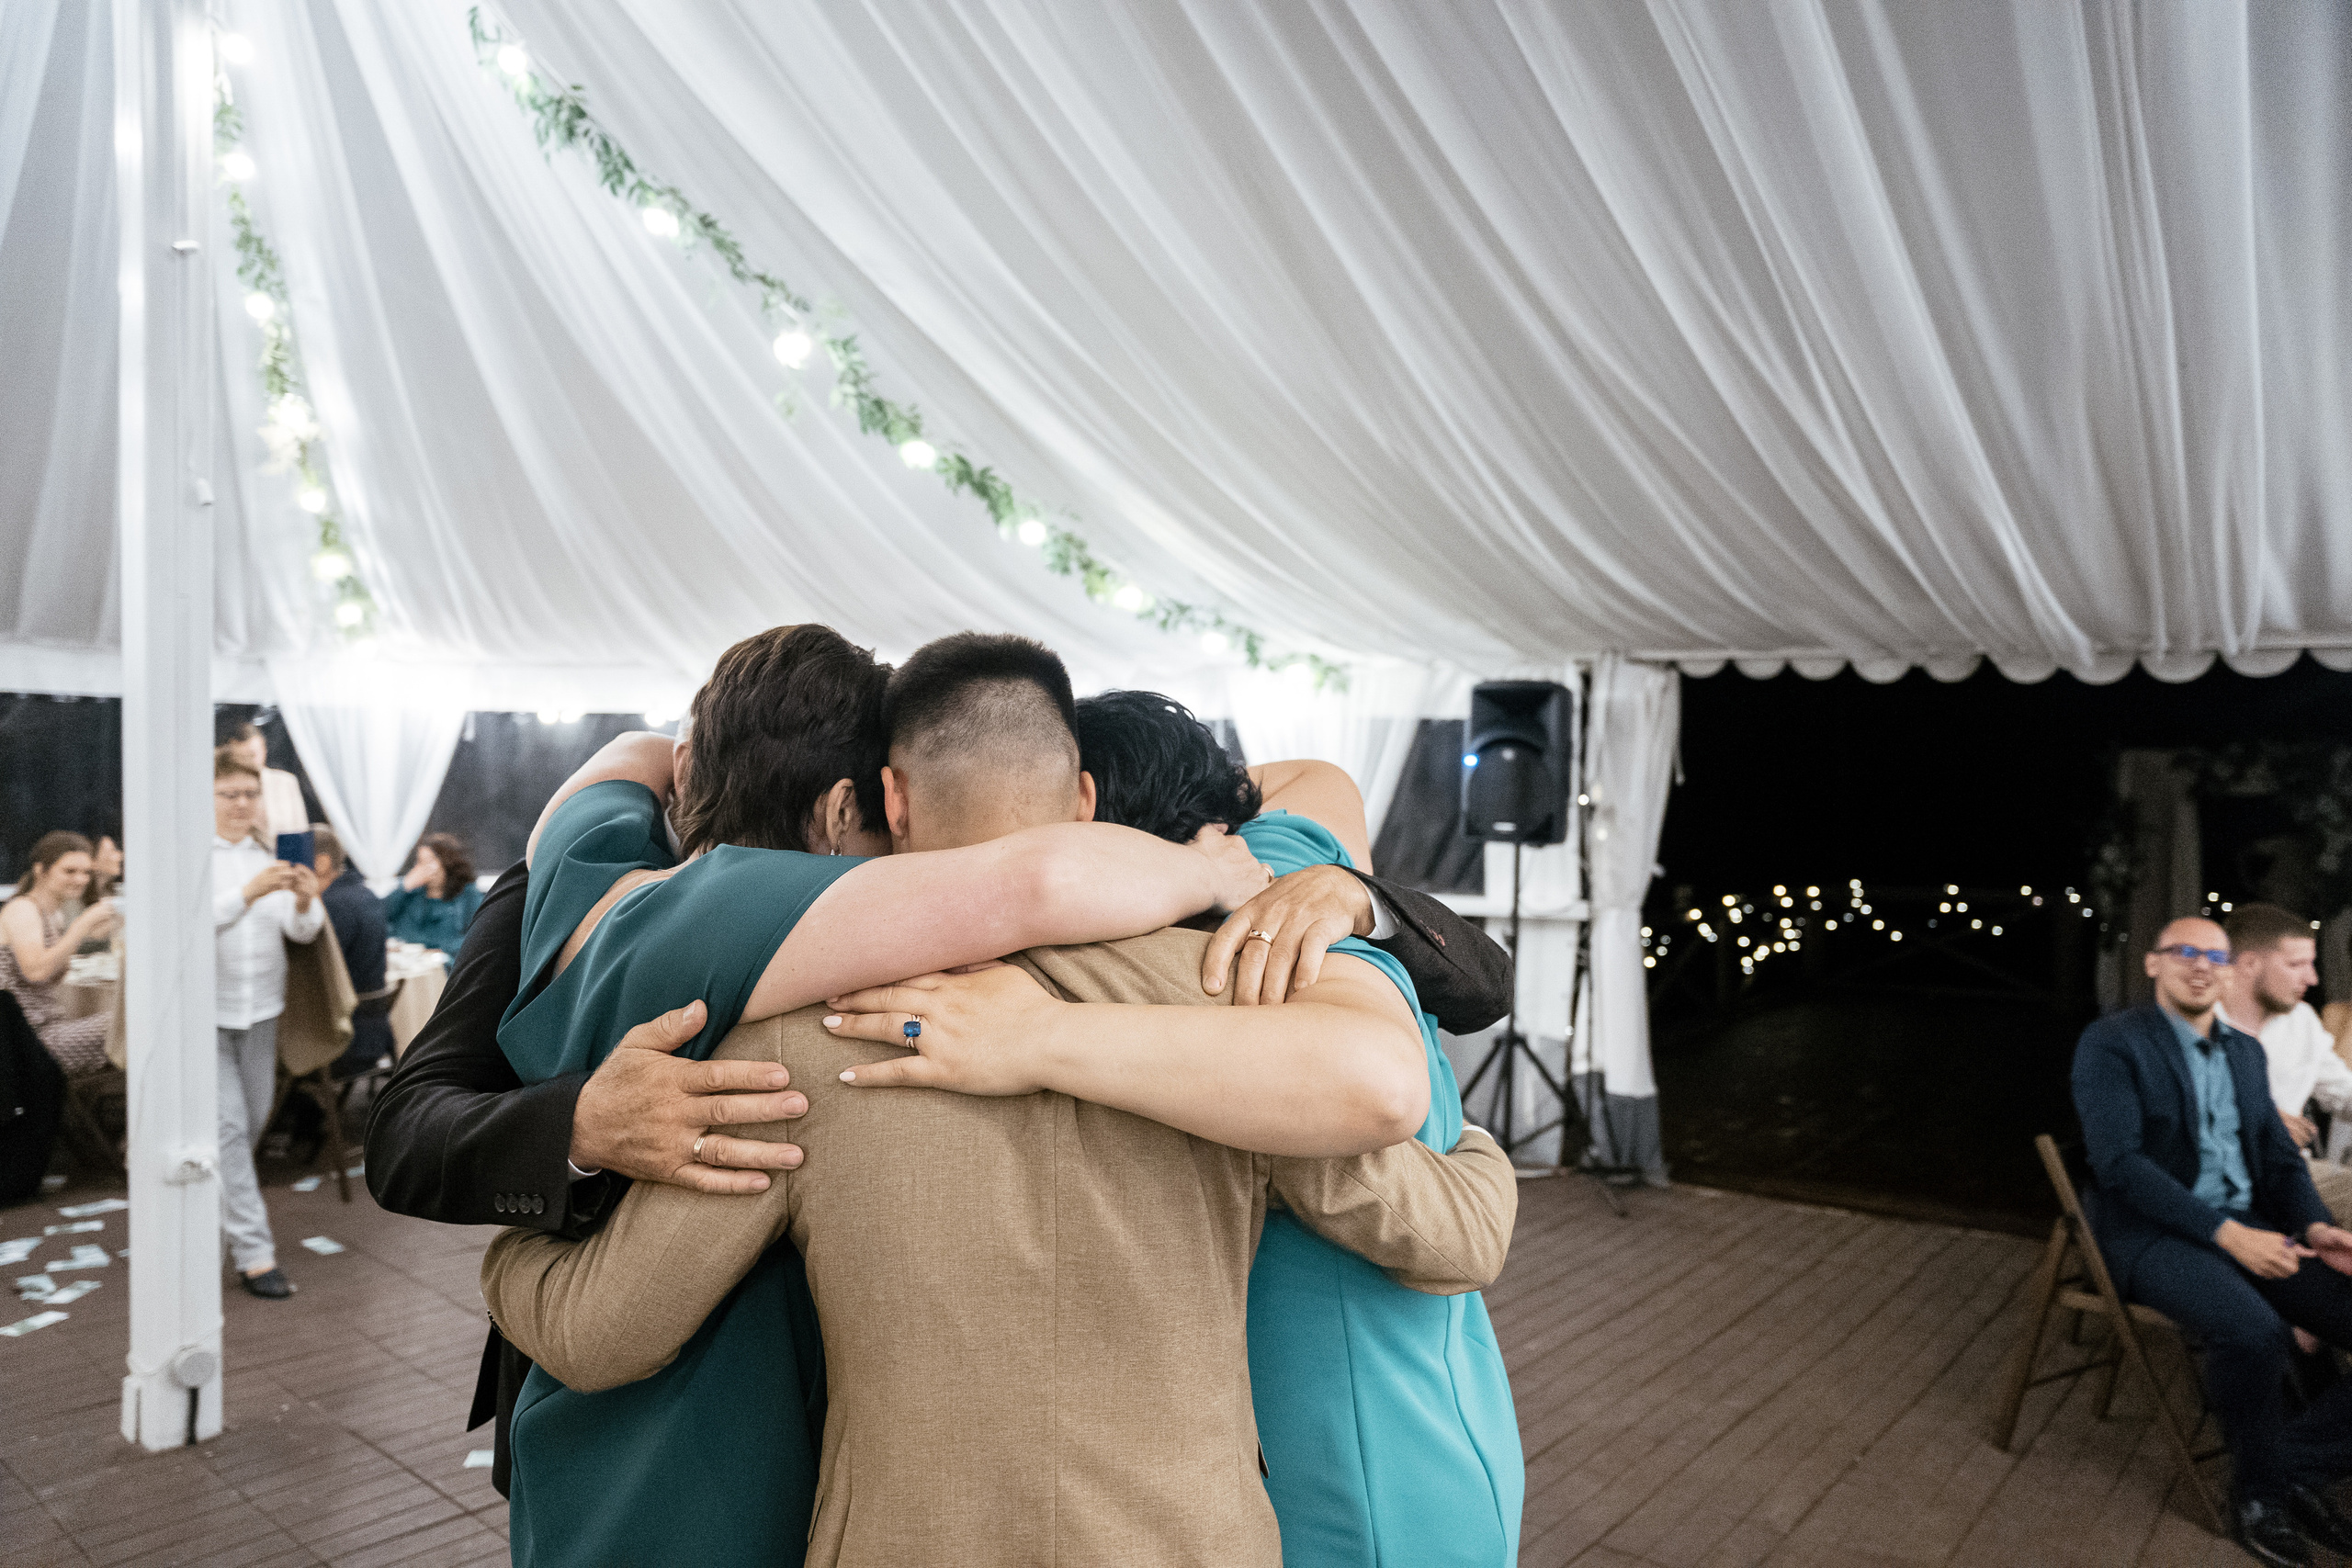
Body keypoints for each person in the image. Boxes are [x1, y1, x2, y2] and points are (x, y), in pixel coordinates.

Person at [478, 634, 1517, 1566]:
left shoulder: (802, 1034)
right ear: (1082, 803)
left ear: (888, 800)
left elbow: (602, 1332)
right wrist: (1469, 1140)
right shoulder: (1229, 1018)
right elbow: (1454, 1238)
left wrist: (509, 1245)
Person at [877, 688, 1525, 1564]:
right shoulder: (1294, 848)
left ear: (1090, 812)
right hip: (1451, 1410)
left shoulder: (1224, 968)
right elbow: (1314, 776)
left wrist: (1032, 1035)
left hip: (1357, 1465)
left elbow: (1435, 1210)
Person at [2074, 915, 2352, 1566]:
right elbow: (2120, 1165)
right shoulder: (2112, 1041)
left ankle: (2281, 1472)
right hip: (2152, 1232)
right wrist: (2228, 1234)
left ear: (2230, 971)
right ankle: (2257, 1496)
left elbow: (2280, 1160)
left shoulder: (2243, 1052)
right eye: (2185, 951)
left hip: (2247, 1223)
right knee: (2253, 1331)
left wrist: (2314, 1224)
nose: (2201, 964)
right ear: (2153, 964)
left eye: (2215, 955)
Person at [212, 747, 325, 1299]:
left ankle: (204, 1227)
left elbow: (301, 932)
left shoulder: (268, 855)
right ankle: (256, 1256)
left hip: (262, 1012)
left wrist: (305, 901)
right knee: (230, 1129)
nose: (240, 803)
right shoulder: (188, 856)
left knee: (249, 1125)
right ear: (207, 798)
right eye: (228, 794)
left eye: (249, 794)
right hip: (204, 1017)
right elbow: (183, 925)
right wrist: (246, 894)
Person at [2221, 903, 2352, 1224]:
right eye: (2297, 964)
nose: (2313, 978)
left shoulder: (2301, 1020)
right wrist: (2262, 1122)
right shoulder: (2200, 1021)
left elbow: (2345, 1094)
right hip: (2220, 1177)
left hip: (2291, 1174)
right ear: (2249, 964)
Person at [0, 832, 119, 1077]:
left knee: (126, 1020)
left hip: (49, 1027)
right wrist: (81, 926)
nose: (80, 879)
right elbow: (36, 971)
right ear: (40, 870)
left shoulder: (54, 915)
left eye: (86, 872)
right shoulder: (22, 909)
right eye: (69, 871)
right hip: (29, 1039)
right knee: (127, 1022)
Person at [311, 824, 394, 1078]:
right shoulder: (365, 894)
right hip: (377, 1036)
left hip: (344, 1041)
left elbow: (318, 976)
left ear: (322, 863)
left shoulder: (332, 906)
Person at [380, 833, 483, 955]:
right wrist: (404, 887)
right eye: (419, 862)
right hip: (407, 963)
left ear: (447, 863)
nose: (423, 869)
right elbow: (378, 917)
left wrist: (440, 951)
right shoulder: (410, 894)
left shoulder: (467, 896)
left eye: (429, 861)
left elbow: (479, 937)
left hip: (446, 966)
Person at [224, 720, 311, 841]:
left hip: (283, 857)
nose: (248, 763)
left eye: (252, 755)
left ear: (264, 749)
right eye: (241, 758)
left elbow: (300, 830)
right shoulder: (224, 789)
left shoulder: (285, 783)